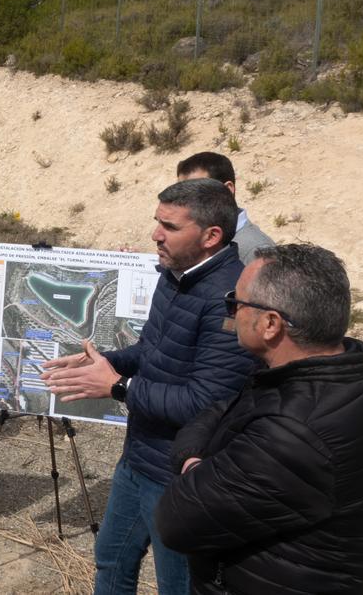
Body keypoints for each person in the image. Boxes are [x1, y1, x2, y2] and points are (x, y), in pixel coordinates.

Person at [40, 178, 257, 595]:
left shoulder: (229, 300)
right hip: (139, 458)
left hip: (179, 476)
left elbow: (207, 403)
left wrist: (118, 387)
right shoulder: (175, 274)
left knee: (176, 584)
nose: (156, 234)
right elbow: (152, 350)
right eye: (157, 222)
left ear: (211, 236)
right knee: (111, 559)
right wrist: (105, 362)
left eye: (170, 227)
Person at [156, 244, 363, 594]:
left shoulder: (293, 431)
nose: (232, 313)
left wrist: (194, 464)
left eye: (236, 304)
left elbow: (176, 520)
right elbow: (221, 410)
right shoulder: (345, 375)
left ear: (270, 324)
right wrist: (201, 452)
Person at [176, 151, 274, 265]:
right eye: (180, 192)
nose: (184, 201)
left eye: (196, 191)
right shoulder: (204, 239)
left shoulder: (256, 250)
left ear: (227, 190)